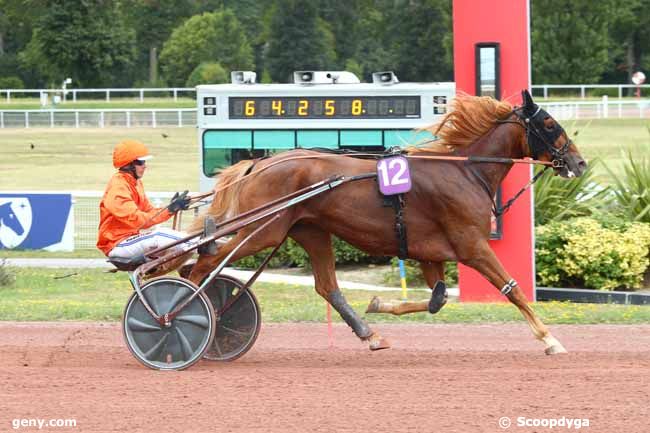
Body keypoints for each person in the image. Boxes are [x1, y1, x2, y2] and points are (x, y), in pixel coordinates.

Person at [97, 139, 191, 261]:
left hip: (130, 239)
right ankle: (201, 243)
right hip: (116, 244)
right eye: (141, 162)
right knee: (159, 235)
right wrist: (169, 210)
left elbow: (150, 212)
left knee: (171, 245)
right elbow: (139, 221)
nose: (145, 165)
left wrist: (172, 208)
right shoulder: (118, 187)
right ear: (128, 165)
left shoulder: (136, 183)